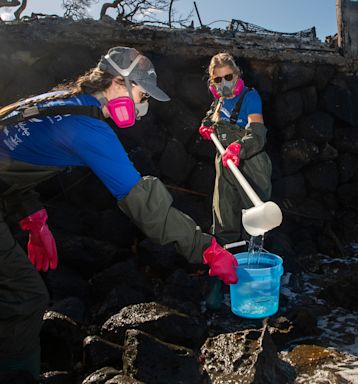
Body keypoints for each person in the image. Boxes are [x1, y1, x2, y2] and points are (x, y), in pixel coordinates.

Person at [0, 46, 238, 380]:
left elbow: (12, 157)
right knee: (26, 295)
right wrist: (206, 249)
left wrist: (33, 217)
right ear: (117, 82)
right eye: (142, 94)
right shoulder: (89, 129)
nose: (144, 105)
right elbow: (145, 206)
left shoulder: (62, 99)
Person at [198, 52, 272, 308]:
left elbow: (257, 131)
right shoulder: (217, 102)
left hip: (250, 165)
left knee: (256, 226)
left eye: (228, 77)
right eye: (218, 79)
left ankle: (256, 284)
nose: (224, 83)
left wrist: (240, 147)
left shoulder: (250, 97)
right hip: (225, 168)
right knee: (223, 223)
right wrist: (207, 126)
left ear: (237, 75)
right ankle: (220, 284)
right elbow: (210, 118)